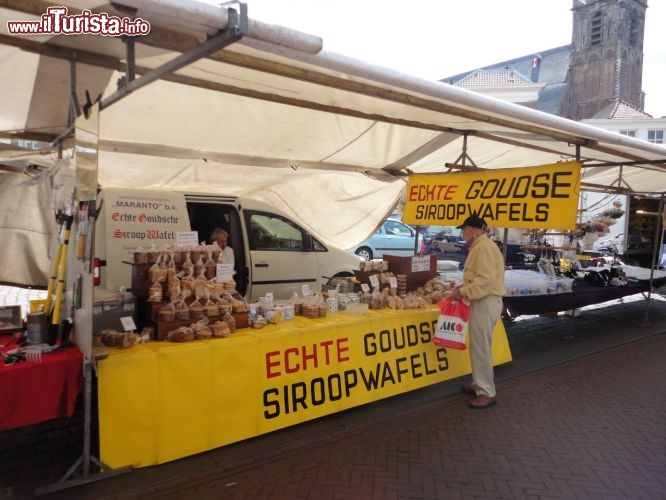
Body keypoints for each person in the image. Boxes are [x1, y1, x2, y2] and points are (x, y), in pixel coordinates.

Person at [449, 214, 505, 409]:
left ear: (470, 230)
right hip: (483, 301)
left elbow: (486, 280)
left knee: (480, 348)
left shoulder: (483, 247)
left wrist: (463, 291)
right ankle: (479, 383)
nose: (463, 233)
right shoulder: (482, 246)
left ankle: (486, 392)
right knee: (478, 346)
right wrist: (464, 286)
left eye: (464, 230)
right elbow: (480, 277)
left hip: (485, 302)